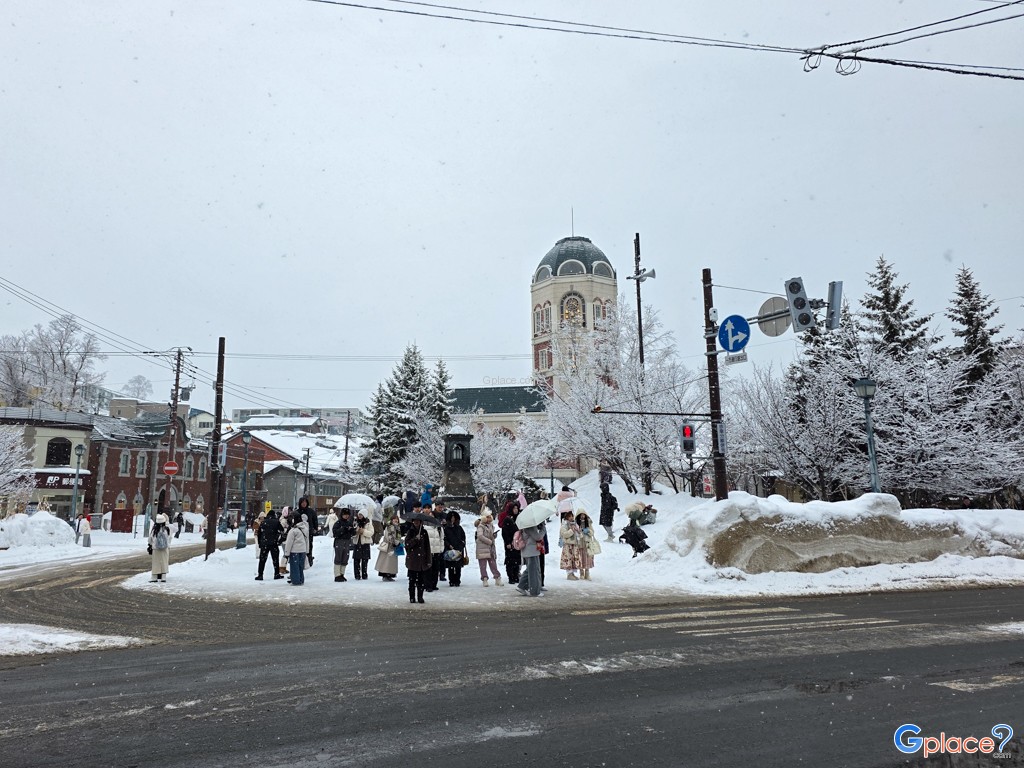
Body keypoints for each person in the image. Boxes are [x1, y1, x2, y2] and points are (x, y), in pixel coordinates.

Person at [515, 519, 547, 597]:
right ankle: (535, 591)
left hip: (528, 551)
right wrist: (543, 529)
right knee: (534, 572)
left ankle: (522, 586)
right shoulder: (530, 527)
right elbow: (538, 537)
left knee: (529, 570)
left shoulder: (525, 526)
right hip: (531, 551)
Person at [404, 518, 431, 604]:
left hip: (422, 560)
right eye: (415, 521)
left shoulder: (424, 532)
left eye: (418, 521)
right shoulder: (410, 532)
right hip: (413, 560)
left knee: (421, 581)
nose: (416, 523)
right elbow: (407, 545)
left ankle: (420, 597)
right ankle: (412, 597)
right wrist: (415, 539)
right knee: (412, 581)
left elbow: (427, 547)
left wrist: (428, 559)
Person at [474, 507, 502, 586]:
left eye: (490, 516)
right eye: (488, 517)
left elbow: (490, 536)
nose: (490, 518)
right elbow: (480, 536)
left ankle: (497, 577)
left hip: (490, 548)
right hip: (482, 548)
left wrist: (494, 536)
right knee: (483, 565)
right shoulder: (481, 526)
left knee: (493, 564)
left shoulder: (491, 525)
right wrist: (489, 541)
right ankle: (484, 579)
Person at [255, 510, 284, 580]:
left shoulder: (263, 522)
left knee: (262, 559)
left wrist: (260, 543)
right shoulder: (276, 522)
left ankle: (260, 574)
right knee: (275, 559)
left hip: (264, 543)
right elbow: (282, 530)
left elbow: (259, 534)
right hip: (273, 543)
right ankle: (276, 574)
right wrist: (278, 539)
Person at [498, 498, 521, 585]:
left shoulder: (518, 519)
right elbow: (505, 532)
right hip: (510, 542)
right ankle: (511, 577)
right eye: (514, 508)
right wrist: (507, 542)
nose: (516, 510)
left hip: (517, 542)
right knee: (510, 560)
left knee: (517, 560)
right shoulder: (507, 519)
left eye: (517, 508)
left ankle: (516, 575)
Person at [374, 512, 402, 581]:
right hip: (389, 546)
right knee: (387, 562)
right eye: (394, 519)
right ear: (391, 520)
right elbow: (389, 536)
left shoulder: (397, 527)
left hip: (393, 546)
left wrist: (399, 541)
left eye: (397, 519)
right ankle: (386, 575)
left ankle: (389, 574)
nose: (396, 520)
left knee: (389, 562)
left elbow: (397, 537)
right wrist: (395, 542)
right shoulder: (389, 527)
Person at [283, 512, 309, 585]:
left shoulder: (293, 530)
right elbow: (307, 540)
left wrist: (286, 553)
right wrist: (307, 551)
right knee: (300, 567)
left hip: (294, 551)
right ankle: (301, 579)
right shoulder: (305, 528)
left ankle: (296, 581)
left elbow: (289, 543)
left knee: (294, 567)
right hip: (303, 551)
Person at [558, 510, 584, 580]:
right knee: (568, 559)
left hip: (574, 545)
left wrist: (579, 532)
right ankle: (569, 573)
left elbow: (580, 535)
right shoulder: (564, 525)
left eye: (572, 516)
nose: (571, 518)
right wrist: (572, 530)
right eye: (569, 516)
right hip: (568, 545)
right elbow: (564, 534)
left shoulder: (575, 524)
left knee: (574, 559)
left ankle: (572, 573)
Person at [443, 511, 467, 587]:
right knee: (450, 566)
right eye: (451, 518)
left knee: (458, 566)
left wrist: (461, 545)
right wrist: (449, 545)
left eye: (454, 518)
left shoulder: (459, 528)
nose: (453, 519)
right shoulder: (446, 528)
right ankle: (451, 580)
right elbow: (444, 538)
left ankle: (457, 580)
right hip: (450, 549)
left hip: (458, 549)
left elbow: (463, 537)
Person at [332, 507, 356, 582]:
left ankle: (342, 574)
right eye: (345, 514)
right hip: (339, 542)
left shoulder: (349, 523)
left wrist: (352, 531)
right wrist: (343, 529)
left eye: (347, 514)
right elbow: (335, 533)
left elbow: (352, 533)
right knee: (338, 557)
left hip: (347, 542)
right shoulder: (338, 523)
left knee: (345, 558)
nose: (346, 516)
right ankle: (337, 575)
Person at [423, 508, 444, 592]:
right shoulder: (424, 527)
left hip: (437, 551)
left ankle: (434, 584)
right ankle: (427, 585)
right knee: (428, 569)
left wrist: (441, 549)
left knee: (436, 569)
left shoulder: (439, 527)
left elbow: (442, 538)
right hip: (428, 552)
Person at [148, 513, 172, 583]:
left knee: (156, 563)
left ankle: (154, 577)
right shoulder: (167, 529)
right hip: (165, 548)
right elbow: (169, 538)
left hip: (156, 549)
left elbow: (150, 539)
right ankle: (163, 577)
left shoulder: (154, 530)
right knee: (164, 562)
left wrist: (151, 544)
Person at [576, 511, 600, 580]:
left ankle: (587, 572)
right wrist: (579, 532)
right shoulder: (576, 523)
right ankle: (581, 572)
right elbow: (575, 534)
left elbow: (592, 532)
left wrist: (587, 531)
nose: (582, 516)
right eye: (581, 515)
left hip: (587, 544)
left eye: (584, 515)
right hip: (580, 543)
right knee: (580, 558)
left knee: (587, 558)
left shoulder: (588, 522)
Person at [352, 510, 374, 580]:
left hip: (365, 543)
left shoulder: (368, 523)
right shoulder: (355, 521)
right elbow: (352, 533)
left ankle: (364, 574)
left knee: (365, 560)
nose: (360, 516)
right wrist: (356, 532)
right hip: (357, 543)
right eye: (359, 514)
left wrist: (363, 531)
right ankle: (357, 575)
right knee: (356, 560)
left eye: (361, 515)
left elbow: (371, 533)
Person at [296, 497, 316, 566]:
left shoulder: (311, 511)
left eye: (305, 502)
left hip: (309, 532)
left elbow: (315, 521)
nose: (304, 503)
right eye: (302, 502)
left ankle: (309, 559)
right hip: (299, 533)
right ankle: (301, 560)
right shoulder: (297, 512)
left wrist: (314, 529)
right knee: (300, 546)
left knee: (309, 546)